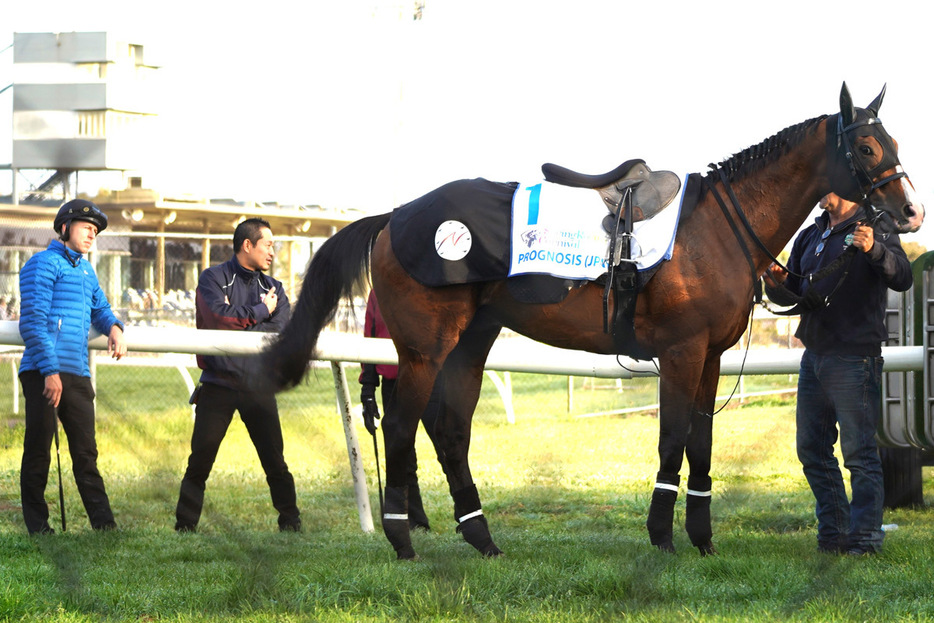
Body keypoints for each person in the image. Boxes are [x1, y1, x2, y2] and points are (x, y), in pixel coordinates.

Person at [764, 192, 913, 555]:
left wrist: (874, 249)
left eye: (824, 184)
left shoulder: (877, 225)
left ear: (844, 186)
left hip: (854, 358)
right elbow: (797, 295)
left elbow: (903, 277)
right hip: (814, 356)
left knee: (859, 454)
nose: (817, 191)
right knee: (812, 450)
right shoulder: (811, 234)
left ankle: (864, 540)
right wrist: (777, 283)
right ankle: (833, 535)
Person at [175, 217, 301, 532]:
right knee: (200, 461)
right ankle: (185, 526)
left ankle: (291, 522)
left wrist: (245, 319)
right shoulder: (212, 278)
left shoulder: (275, 287)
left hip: (259, 386)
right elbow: (218, 319)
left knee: (275, 462)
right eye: (268, 244)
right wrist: (261, 312)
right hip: (218, 385)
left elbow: (280, 330)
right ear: (248, 245)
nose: (273, 252)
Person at [18, 199, 127, 535]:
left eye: (95, 230)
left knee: (86, 453)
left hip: (77, 373)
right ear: (64, 228)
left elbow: (101, 308)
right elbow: (33, 322)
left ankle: (105, 526)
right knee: (39, 450)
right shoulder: (42, 264)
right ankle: (38, 528)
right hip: (42, 371)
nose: (91, 234)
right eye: (85, 227)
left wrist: (115, 327)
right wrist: (49, 371)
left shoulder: (86, 270)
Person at [359, 289, 434, 531]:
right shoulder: (378, 291)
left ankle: (467, 515)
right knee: (400, 452)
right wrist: (368, 388)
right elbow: (369, 335)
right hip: (393, 382)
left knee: (447, 448)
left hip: (431, 378)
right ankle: (413, 520)